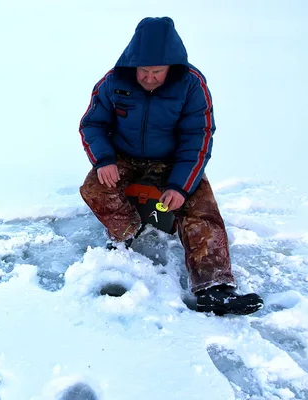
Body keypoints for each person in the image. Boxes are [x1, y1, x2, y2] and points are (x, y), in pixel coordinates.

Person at [78, 16, 263, 316]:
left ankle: (214, 287)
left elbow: (198, 139)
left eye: (157, 72)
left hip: (172, 161)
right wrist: (104, 160)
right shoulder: (113, 82)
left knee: (200, 206)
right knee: (94, 188)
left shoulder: (192, 85)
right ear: (133, 64)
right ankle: (129, 230)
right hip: (125, 157)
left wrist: (180, 185)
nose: (149, 78)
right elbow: (92, 125)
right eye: (144, 71)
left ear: (171, 67)